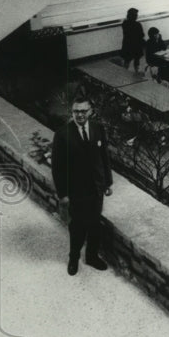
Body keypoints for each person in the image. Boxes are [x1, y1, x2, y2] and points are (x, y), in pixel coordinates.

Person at [51, 91, 113, 276]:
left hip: (96, 188)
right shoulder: (62, 135)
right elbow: (58, 168)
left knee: (95, 224)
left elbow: (104, 157)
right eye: (76, 111)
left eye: (83, 111)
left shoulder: (98, 128)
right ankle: (73, 258)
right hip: (76, 191)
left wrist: (107, 182)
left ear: (91, 111)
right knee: (77, 227)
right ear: (72, 112)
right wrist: (63, 194)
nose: (79, 115)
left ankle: (92, 257)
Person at [120, 7, 145, 72]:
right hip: (136, 45)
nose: (137, 16)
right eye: (136, 15)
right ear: (134, 16)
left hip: (128, 44)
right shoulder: (137, 24)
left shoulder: (125, 23)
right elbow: (142, 35)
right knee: (137, 60)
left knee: (127, 60)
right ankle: (137, 72)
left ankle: (124, 73)